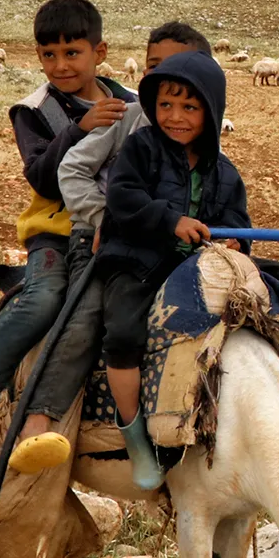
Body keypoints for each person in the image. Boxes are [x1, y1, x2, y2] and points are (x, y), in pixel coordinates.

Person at [1, 21, 211, 474]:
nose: (173, 106)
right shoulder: (131, 123)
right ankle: (44, 421)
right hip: (125, 248)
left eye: (187, 97)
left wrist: (230, 237)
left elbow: (226, 206)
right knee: (92, 317)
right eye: (158, 72)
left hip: (185, 253)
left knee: (269, 291)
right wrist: (104, 220)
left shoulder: (210, 151)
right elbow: (105, 186)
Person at [0, 0, 130, 452]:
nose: (60, 65)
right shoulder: (34, 110)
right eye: (49, 55)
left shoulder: (130, 102)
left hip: (117, 233)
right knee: (45, 300)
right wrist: (78, 129)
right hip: (56, 233)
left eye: (72, 53)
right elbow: (41, 175)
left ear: (99, 53)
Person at [93, 48, 250, 489]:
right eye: (165, 105)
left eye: (189, 107)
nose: (174, 116)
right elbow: (122, 198)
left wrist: (239, 243)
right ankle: (136, 437)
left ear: (211, 111)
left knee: (276, 298)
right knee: (122, 333)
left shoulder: (226, 173)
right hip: (139, 261)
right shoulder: (141, 148)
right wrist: (170, 221)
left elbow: (237, 220)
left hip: (198, 270)